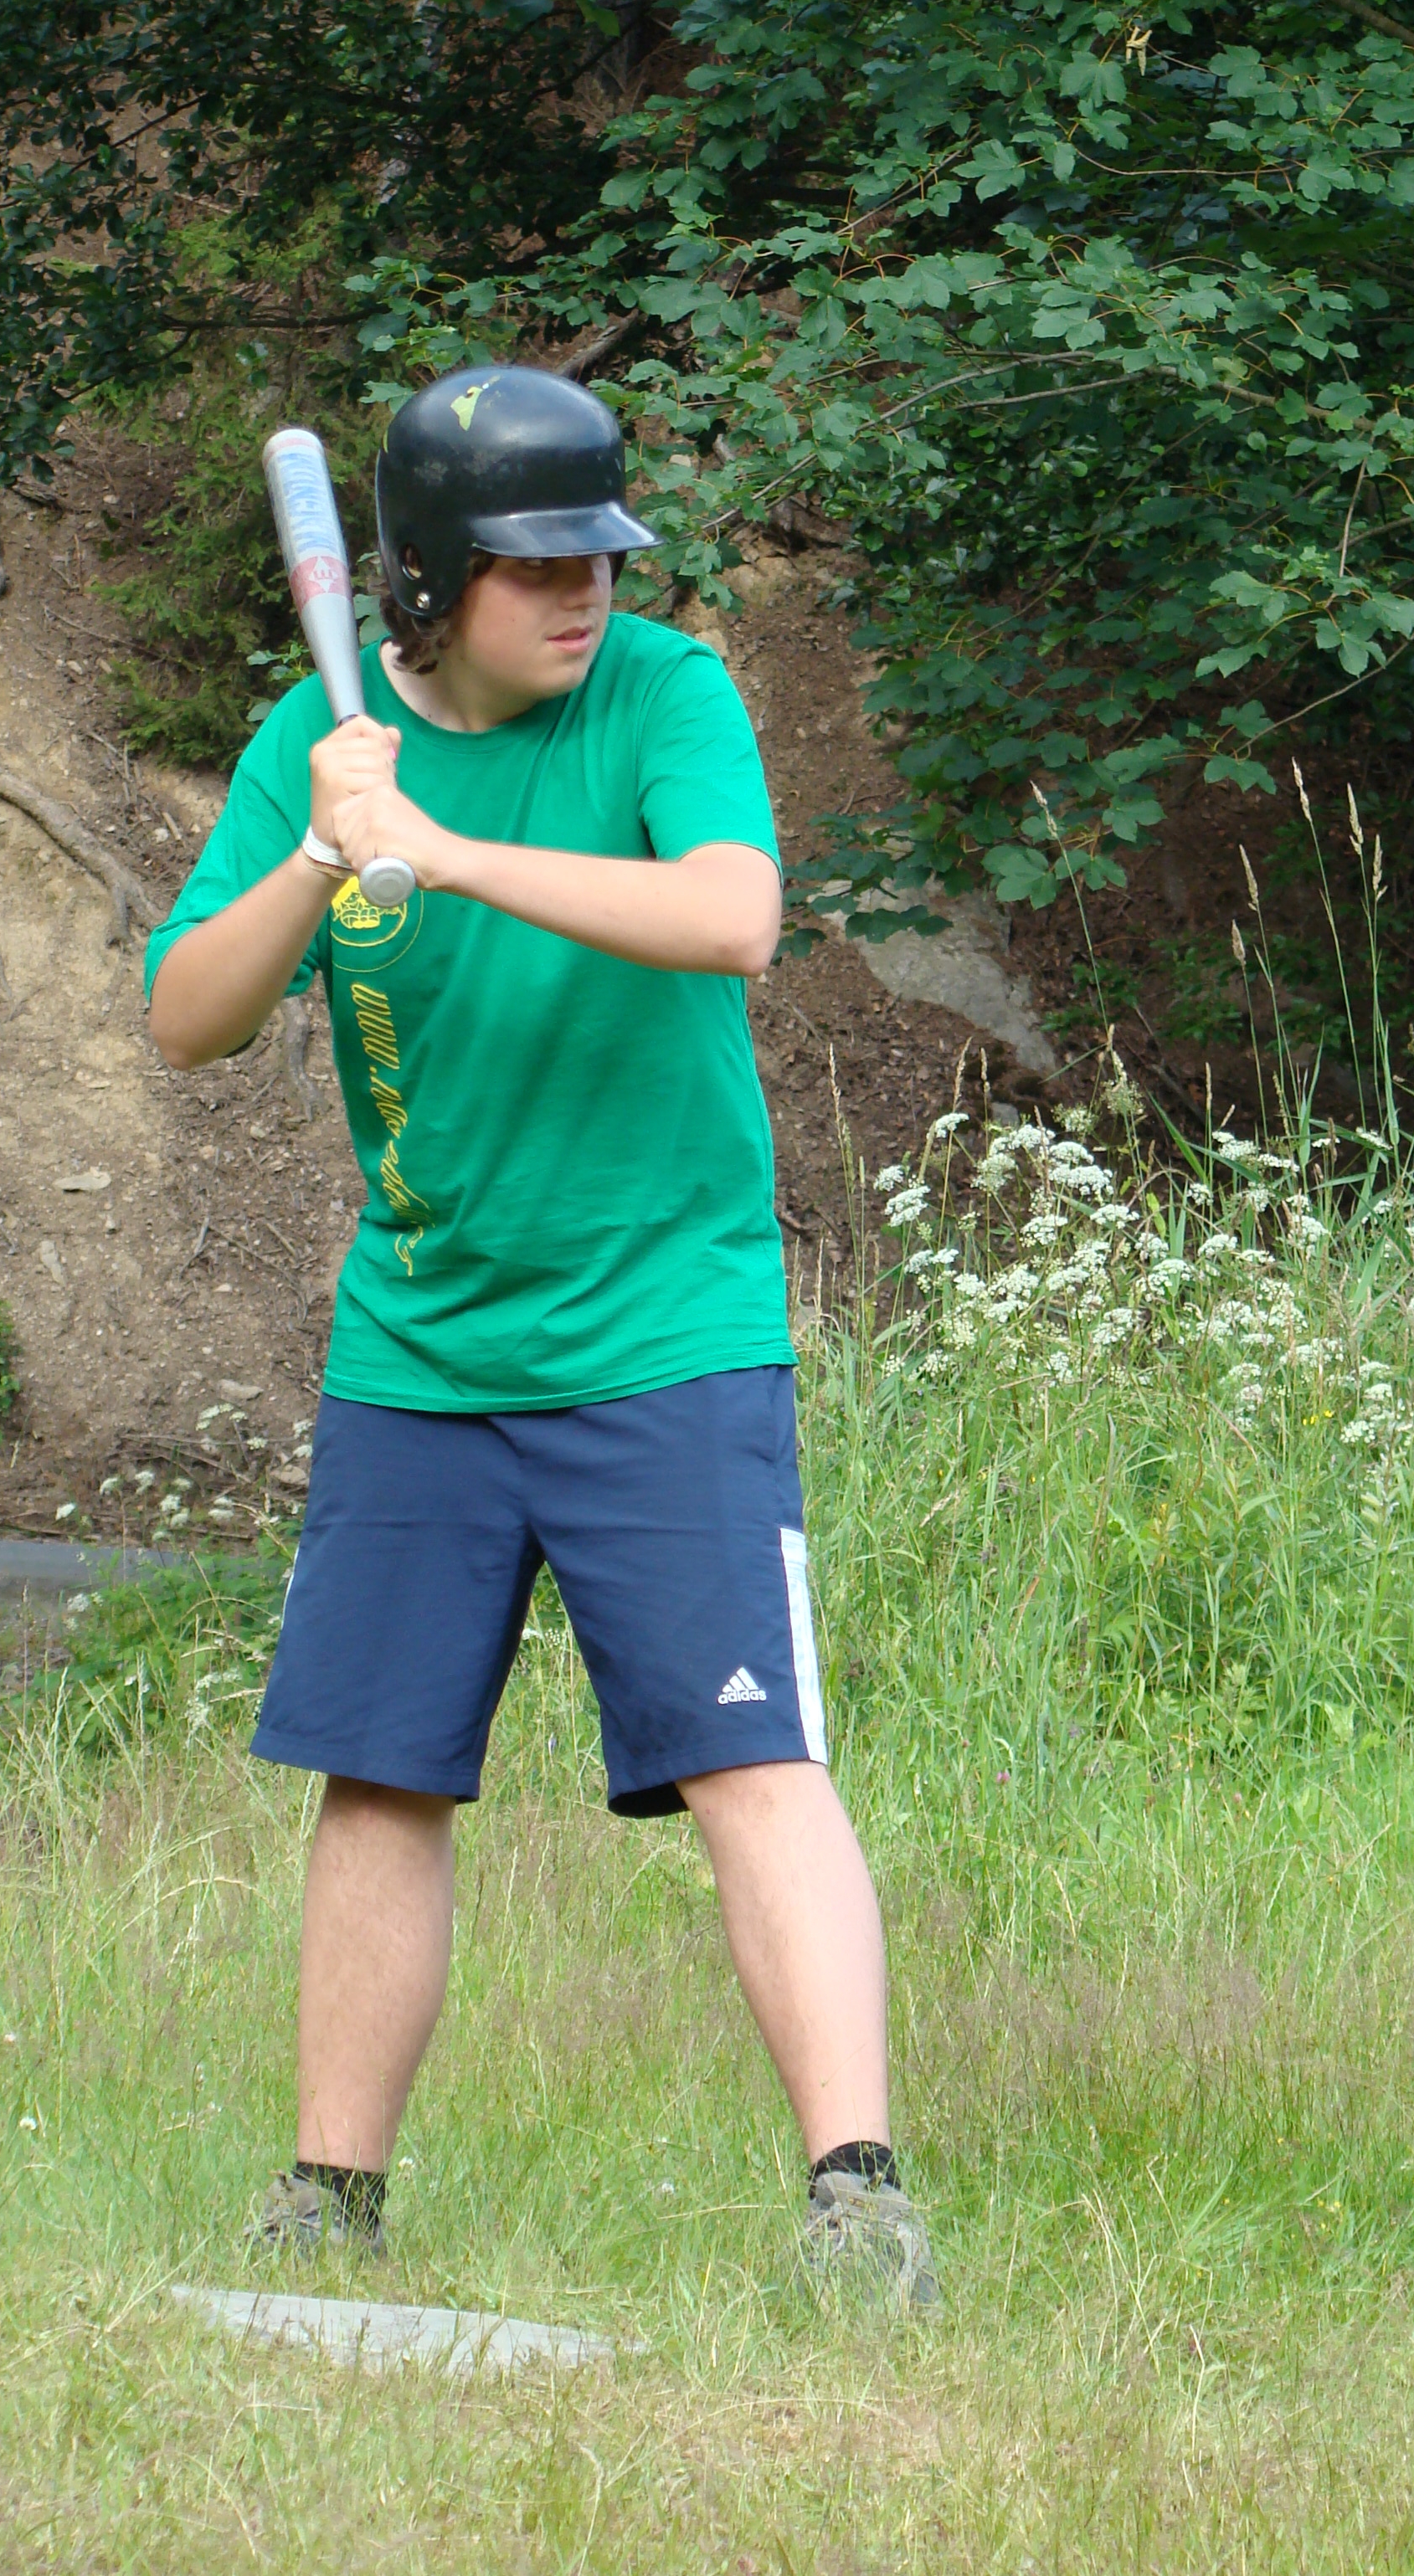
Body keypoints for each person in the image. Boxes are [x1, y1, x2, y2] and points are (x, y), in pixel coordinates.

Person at [144, 364, 936, 2312]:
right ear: (425, 584)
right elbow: (187, 1016)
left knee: (753, 1758)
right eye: (538, 564)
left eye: (602, 553)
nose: (587, 591)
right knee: (377, 1772)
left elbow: (734, 916)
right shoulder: (315, 745)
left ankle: (858, 2199)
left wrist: (448, 849)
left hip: (665, 1328)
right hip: (421, 1347)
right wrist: (326, 852)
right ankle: (328, 2199)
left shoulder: (664, 694)